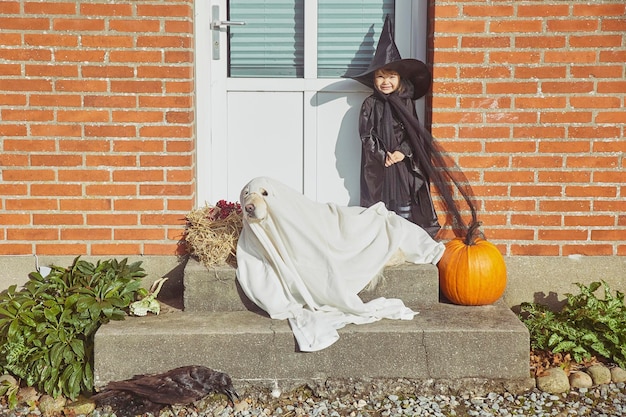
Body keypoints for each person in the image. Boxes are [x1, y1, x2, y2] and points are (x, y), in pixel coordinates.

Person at [350, 15, 441, 238]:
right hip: (380, 165)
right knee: (381, 207)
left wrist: (402, 152)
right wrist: (383, 155)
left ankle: (404, 238)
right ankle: (382, 240)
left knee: (404, 204)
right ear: (374, 80)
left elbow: (414, 133)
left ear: (400, 79)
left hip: (403, 165)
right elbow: (366, 135)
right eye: (380, 76)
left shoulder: (407, 104)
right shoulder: (370, 104)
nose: (386, 81)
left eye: (391, 76)